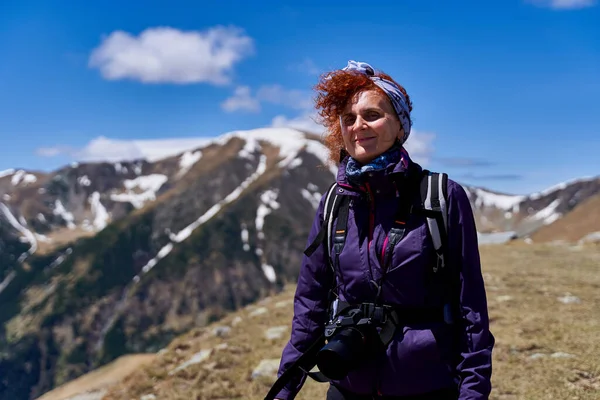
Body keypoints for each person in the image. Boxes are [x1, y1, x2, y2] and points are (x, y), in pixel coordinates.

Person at [273, 60, 495, 400]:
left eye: (372, 115)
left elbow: (471, 310)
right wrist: (283, 390)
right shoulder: (334, 203)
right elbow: (310, 305)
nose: (358, 126)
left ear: (400, 125)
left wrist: (473, 392)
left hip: (426, 387)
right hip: (348, 385)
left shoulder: (441, 197)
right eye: (348, 118)